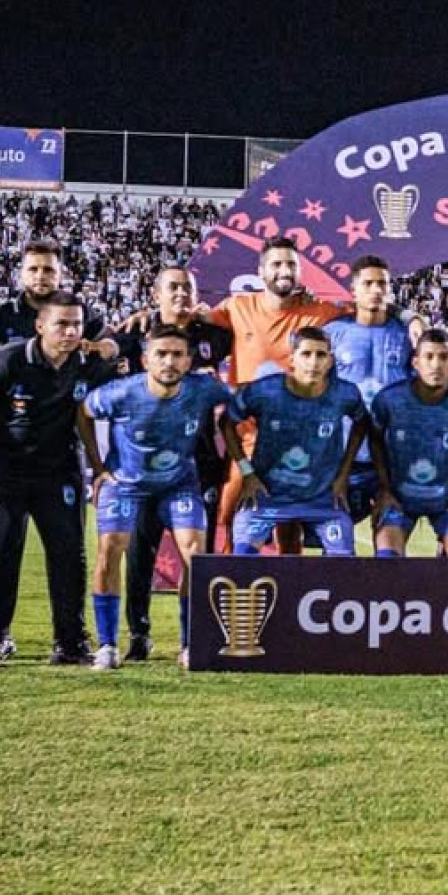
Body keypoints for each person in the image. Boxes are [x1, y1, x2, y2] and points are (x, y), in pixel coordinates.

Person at [0, 292, 110, 668]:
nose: (70, 331)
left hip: (58, 471)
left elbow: (82, 415)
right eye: (61, 323)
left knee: (69, 554)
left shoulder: (84, 363)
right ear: (40, 326)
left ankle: (71, 643)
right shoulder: (7, 359)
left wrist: (96, 466)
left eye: (76, 324)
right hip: (2, 472)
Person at [78, 324, 231, 669]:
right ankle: (107, 645)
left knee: (195, 554)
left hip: (178, 483)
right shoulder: (120, 393)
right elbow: (84, 413)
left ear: (189, 361)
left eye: (177, 355)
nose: (169, 362)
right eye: (161, 354)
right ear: (146, 360)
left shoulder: (204, 389)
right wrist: (98, 466)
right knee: (111, 548)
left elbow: (237, 407)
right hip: (126, 484)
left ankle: (190, 644)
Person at [105, 267, 233, 644]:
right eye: (172, 287)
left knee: (198, 555)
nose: (180, 293)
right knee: (140, 551)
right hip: (142, 466)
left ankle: (194, 637)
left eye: (187, 288)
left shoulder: (215, 336)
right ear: (156, 293)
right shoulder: (134, 333)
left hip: (199, 463)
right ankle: (137, 634)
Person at [204, 236, 345, 550]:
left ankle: (288, 595)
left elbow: (369, 307)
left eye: (291, 264)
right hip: (247, 440)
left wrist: (410, 318)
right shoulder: (236, 307)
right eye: (277, 264)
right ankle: (222, 588)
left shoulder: (319, 312)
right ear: (261, 270)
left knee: (289, 532)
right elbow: (186, 321)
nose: (285, 270)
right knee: (227, 518)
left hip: (296, 440)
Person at [224, 327, 366, 557]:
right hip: (268, 496)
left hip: (322, 498)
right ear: (292, 359)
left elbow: (362, 424)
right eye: (306, 354)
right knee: (242, 560)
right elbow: (227, 423)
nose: (314, 362)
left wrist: (343, 474)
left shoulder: (345, 394)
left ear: (330, 361)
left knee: (344, 567)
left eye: (321, 355)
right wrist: (247, 473)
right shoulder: (264, 391)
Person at [367, 329, 448, 558]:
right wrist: (384, 488)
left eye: (443, 357)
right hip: (399, 498)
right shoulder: (389, 400)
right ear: (416, 362)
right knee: (386, 563)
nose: (436, 365)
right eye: (429, 357)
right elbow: (375, 440)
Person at [325, 255, 415, 522]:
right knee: (337, 539)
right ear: (353, 289)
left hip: (392, 454)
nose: (376, 290)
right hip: (343, 454)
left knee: (391, 537)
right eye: (368, 283)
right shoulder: (332, 333)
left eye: (383, 284)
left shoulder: (407, 335)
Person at [0, 239, 108, 351]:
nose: (40, 276)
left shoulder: (84, 314)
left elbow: (110, 347)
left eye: (48, 270)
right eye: (33, 269)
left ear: (60, 275)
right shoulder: (1, 317)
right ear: (21, 274)